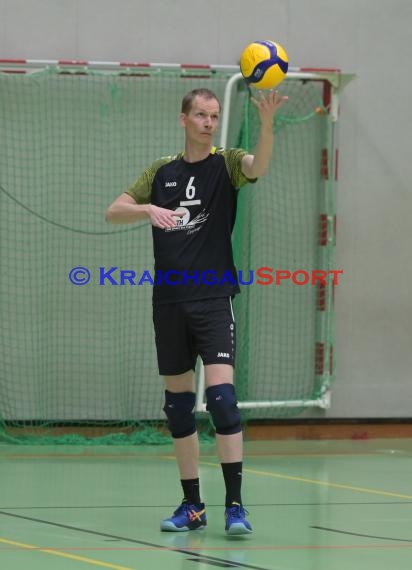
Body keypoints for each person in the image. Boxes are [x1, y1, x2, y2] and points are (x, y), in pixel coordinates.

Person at [105, 87, 287, 535]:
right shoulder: (161, 172)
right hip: (168, 302)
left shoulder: (226, 164)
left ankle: (236, 506)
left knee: (223, 402)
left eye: (214, 115)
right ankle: (193, 506)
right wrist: (147, 208)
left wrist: (266, 126)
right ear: (184, 118)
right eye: (201, 115)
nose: (209, 121)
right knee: (179, 408)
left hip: (212, 298)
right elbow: (113, 211)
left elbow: (258, 167)